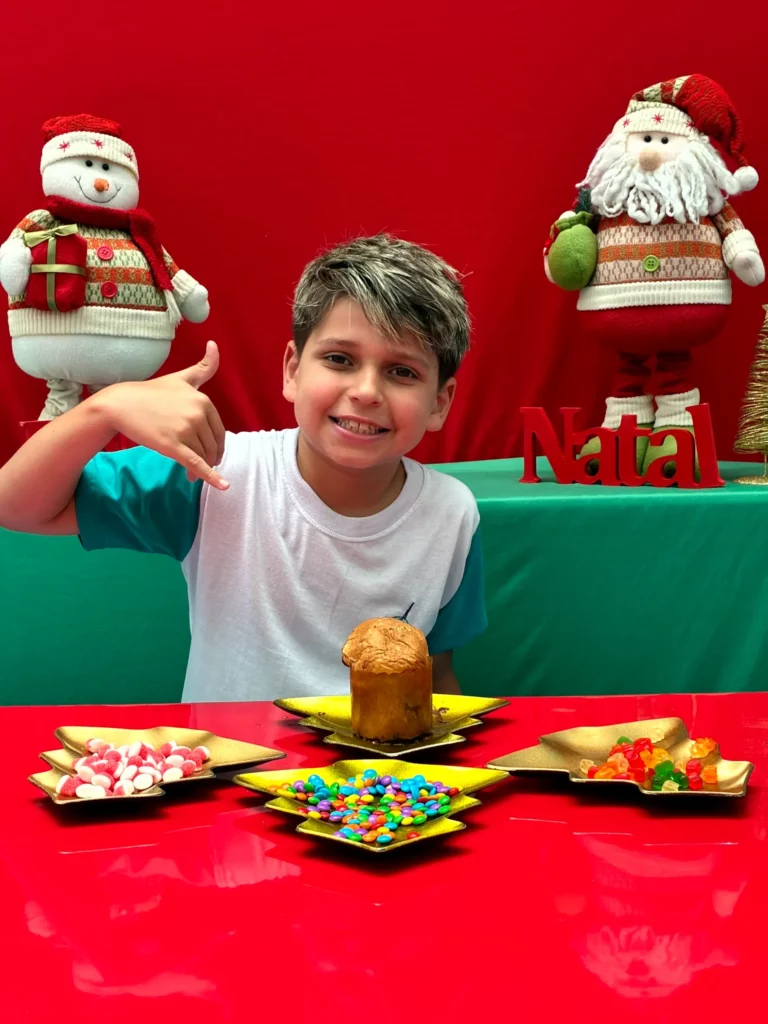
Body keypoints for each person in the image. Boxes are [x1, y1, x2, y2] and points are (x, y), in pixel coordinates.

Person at [0, 234, 487, 700]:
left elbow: (435, 673)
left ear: (440, 402)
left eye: (402, 371)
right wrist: (103, 410)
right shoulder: (214, 473)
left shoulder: (451, 514)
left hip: (380, 761)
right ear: (293, 370)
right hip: (224, 756)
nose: (365, 391)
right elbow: (17, 506)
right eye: (340, 359)